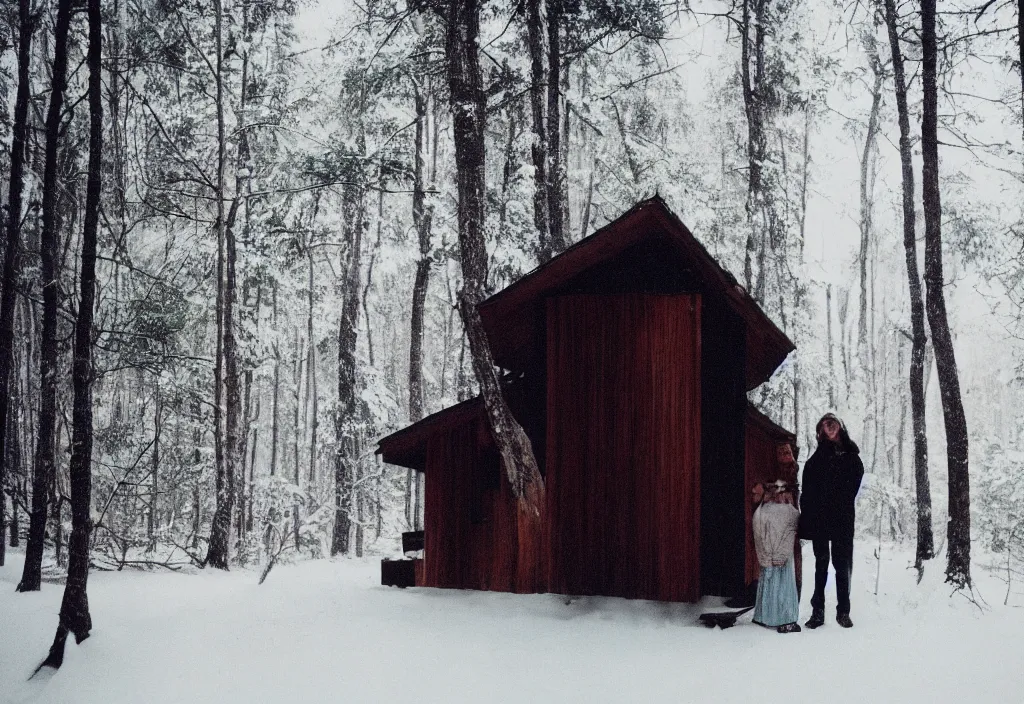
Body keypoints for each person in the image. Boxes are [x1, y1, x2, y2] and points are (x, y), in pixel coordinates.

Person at [799, 413, 864, 629]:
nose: (830, 427)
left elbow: (852, 486)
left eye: (833, 423)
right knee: (821, 565)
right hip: (820, 521)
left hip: (842, 520)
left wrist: (839, 501)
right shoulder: (817, 458)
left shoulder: (851, 456)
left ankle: (843, 611)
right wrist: (809, 516)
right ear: (820, 431)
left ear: (840, 427)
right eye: (825, 425)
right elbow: (808, 488)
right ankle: (818, 612)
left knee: (841, 564)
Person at [751, 480, 801, 634]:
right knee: (777, 587)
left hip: (779, 558)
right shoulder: (764, 512)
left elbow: (788, 535)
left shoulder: (785, 513)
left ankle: (769, 616)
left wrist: (771, 556)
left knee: (775, 586)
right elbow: (760, 536)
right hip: (777, 558)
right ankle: (780, 617)